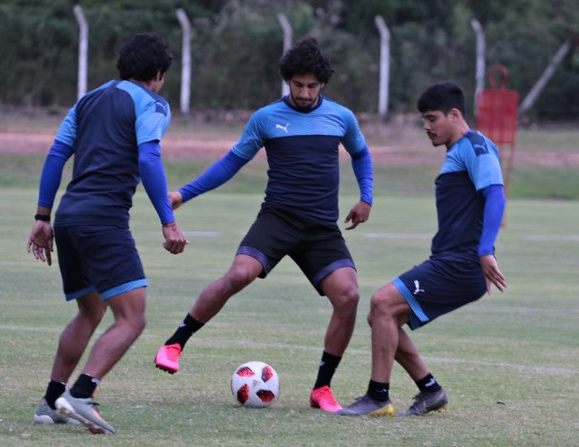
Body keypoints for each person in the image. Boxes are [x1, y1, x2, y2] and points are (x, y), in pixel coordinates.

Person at [153, 36, 374, 413]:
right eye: (298, 85)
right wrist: (184, 194)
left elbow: (361, 153)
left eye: (312, 86)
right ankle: (175, 343)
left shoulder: (341, 117)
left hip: (320, 228)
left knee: (349, 296)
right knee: (239, 273)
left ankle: (322, 388)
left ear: (322, 85)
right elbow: (230, 163)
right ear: (287, 81)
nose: (304, 93)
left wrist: (366, 197)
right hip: (278, 219)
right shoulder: (267, 118)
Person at [27, 32, 188, 435]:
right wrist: (168, 220)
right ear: (158, 74)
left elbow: (57, 154)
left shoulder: (87, 99)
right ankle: (81, 394)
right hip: (103, 220)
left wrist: (42, 215)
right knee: (132, 318)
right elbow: (149, 156)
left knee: (91, 310)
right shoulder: (152, 103)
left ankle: (50, 402)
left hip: (69, 216)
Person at [338, 81, 507, 417]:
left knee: (382, 302)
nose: (426, 127)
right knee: (381, 316)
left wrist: (485, 250)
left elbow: (496, 194)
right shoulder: (459, 151)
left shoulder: (475, 147)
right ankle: (430, 391)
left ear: (454, 115)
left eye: (432, 119)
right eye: (424, 120)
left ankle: (377, 396)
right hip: (450, 259)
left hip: (461, 262)